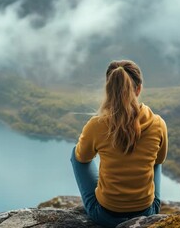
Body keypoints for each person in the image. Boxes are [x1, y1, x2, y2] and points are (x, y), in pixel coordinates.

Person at [70, 60, 168, 228]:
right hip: (147, 212)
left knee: (76, 154)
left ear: (108, 90)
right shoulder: (157, 123)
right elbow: (159, 160)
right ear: (138, 89)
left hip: (105, 216)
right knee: (157, 164)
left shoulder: (96, 125)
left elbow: (82, 157)